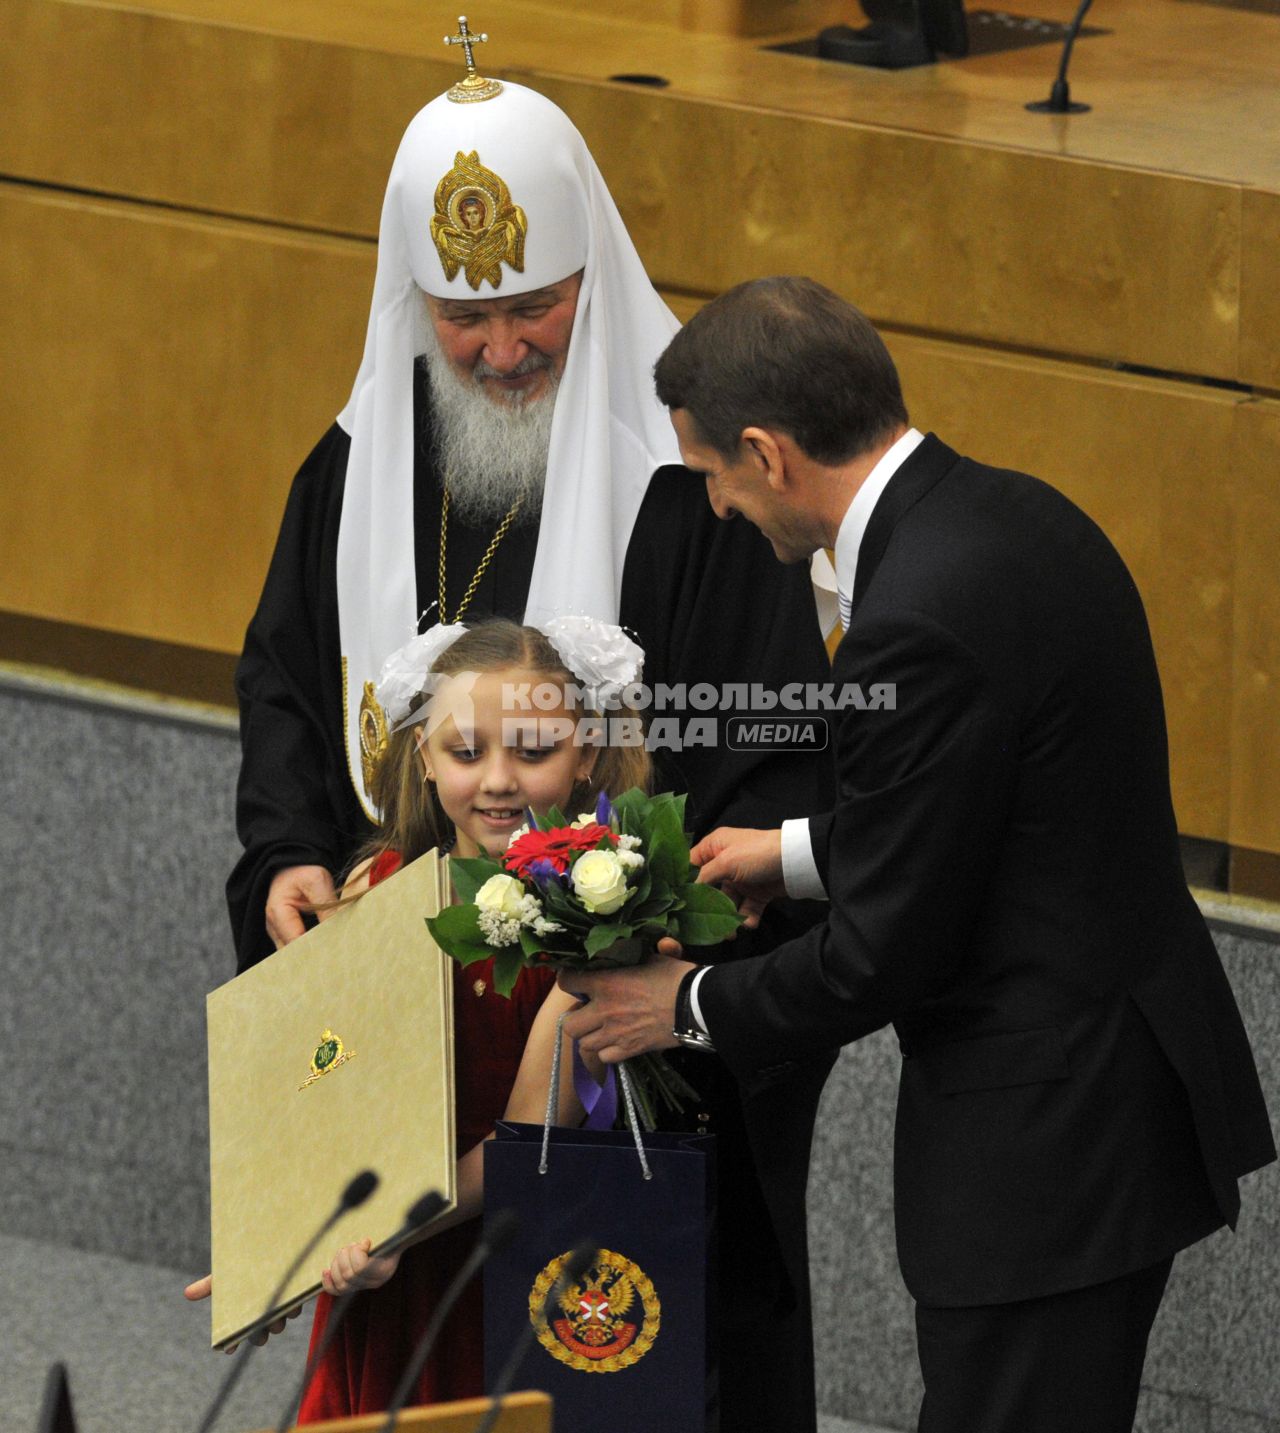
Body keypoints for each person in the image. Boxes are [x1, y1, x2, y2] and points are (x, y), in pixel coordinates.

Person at [226, 61, 836, 1433]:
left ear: (594, 285)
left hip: (627, 1032)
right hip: (410, 1006)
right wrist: (287, 854)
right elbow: (280, 679)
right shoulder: (347, 472)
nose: (502, 347)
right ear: (412, 303)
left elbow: (772, 756)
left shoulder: (690, 502)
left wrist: (660, 950)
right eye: (465, 313)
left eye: (533, 305)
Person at [562, 277, 1276, 1433]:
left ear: (767, 453)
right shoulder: (1017, 512)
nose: (721, 512)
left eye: (713, 481)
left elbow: (874, 962)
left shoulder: (912, 619)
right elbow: (1000, 812)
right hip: (1115, 1096)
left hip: (1043, 1150)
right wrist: (789, 851)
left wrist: (678, 1004)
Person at [192, 616, 644, 1416]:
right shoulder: (380, 885)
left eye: (533, 749)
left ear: (586, 756)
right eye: (466, 752)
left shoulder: (599, 926)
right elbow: (324, 1090)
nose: (498, 779)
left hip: (510, 1269)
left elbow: (528, 1139)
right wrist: (278, 1251)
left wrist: (379, 1236)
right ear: (425, 760)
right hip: (381, 1270)